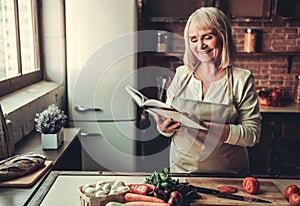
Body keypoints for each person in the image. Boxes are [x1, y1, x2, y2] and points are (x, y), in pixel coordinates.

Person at [152, 7, 262, 174]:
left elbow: (252, 134)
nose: (200, 46)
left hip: (228, 176)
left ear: (223, 37)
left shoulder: (241, 79)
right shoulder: (182, 74)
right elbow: (169, 121)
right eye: (193, 39)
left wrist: (205, 126)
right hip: (181, 173)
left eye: (208, 37)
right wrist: (164, 128)